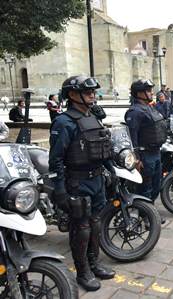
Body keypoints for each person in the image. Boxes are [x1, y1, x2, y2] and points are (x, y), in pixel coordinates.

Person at [49, 76, 116, 291]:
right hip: (77, 181)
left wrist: (111, 169)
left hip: (96, 179)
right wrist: (59, 188)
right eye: (88, 93)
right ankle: (83, 271)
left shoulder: (92, 116)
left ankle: (94, 264)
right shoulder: (64, 121)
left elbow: (101, 144)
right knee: (82, 228)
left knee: (96, 224)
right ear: (72, 95)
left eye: (93, 93)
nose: (92, 96)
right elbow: (56, 159)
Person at [125, 79, 167, 201]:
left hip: (156, 152)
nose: (151, 93)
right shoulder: (134, 112)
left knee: (156, 186)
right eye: (148, 90)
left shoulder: (149, 108)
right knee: (145, 188)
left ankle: (150, 212)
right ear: (139, 93)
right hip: (145, 155)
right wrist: (137, 159)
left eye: (151, 90)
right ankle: (147, 215)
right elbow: (132, 136)